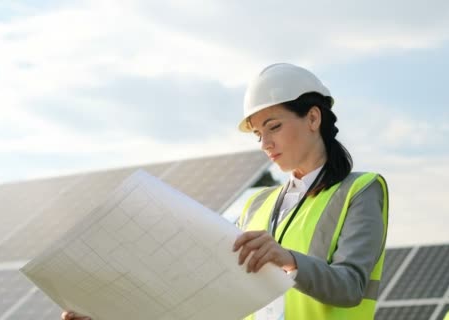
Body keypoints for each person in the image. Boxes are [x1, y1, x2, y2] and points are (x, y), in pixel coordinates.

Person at [61, 63, 389, 320]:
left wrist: (288, 260)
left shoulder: (359, 191)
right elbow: (206, 294)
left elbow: (350, 286)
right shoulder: (257, 205)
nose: (265, 144)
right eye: (258, 134)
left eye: (273, 126)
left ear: (313, 117)